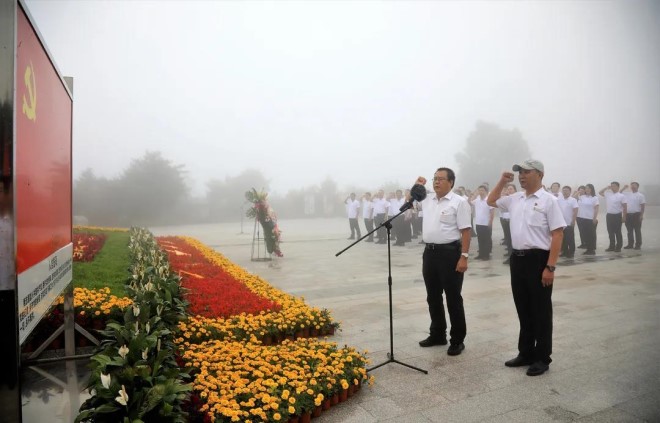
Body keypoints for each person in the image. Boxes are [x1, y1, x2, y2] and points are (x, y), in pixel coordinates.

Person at [487, 159, 565, 376]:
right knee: (523, 308)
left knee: (541, 310)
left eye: (526, 172)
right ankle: (526, 352)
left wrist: (550, 267)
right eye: (520, 172)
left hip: (538, 260)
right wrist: (502, 181)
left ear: (540, 174)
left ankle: (542, 357)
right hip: (518, 259)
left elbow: (558, 234)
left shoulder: (549, 201)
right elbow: (491, 200)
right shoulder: (515, 199)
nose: (522, 176)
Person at [416, 168, 471, 356]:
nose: (436, 182)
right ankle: (438, 334)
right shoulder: (427, 199)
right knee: (432, 296)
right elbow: (410, 201)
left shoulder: (459, 202)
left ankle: (457, 340)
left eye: (440, 179)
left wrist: (464, 256)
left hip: (450, 254)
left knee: (453, 298)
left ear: (451, 182)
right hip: (430, 253)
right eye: (434, 179)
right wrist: (417, 185)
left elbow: (466, 231)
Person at [599, 182, 627, 252]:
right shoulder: (608, 194)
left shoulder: (621, 196)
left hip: (617, 215)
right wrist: (606, 188)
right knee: (610, 232)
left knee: (618, 232)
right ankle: (612, 246)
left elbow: (625, 207)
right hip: (609, 215)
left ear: (618, 187)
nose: (612, 187)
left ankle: (618, 247)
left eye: (614, 186)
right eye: (611, 186)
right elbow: (600, 192)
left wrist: (624, 217)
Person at [470, 185, 494, 260]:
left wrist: (490, 221)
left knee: (486, 240)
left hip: (486, 223)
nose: (481, 192)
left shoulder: (488, 200)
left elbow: (492, 212)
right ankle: (481, 254)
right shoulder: (477, 200)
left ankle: (486, 255)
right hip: (478, 223)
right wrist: (473, 195)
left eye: (482, 190)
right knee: (480, 240)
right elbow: (470, 202)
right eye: (479, 190)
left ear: (486, 191)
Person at [575, 184, 599, 255]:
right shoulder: (582, 197)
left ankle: (592, 249)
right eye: (586, 188)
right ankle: (588, 248)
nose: (587, 189)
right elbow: (574, 197)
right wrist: (579, 191)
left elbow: (596, 208)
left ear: (592, 189)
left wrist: (594, 218)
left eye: (589, 188)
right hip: (581, 218)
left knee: (591, 235)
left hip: (590, 219)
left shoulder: (594, 198)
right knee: (584, 235)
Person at [621, 182, 645, 250]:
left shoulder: (641, 195)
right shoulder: (627, 194)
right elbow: (619, 193)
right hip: (628, 215)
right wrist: (624, 188)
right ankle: (630, 244)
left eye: (634, 185)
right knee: (629, 231)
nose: (633, 187)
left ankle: (638, 245)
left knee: (637, 230)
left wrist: (641, 215)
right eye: (632, 186)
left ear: (637, 186)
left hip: (636, 215)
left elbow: (642, 206)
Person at [558, 186, 578, 258]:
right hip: (561, 223)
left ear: (570, 191)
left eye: (566, 190)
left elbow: (575, 211)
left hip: (569, 222)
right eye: (563, 190)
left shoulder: (573, 200)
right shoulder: (559, 200)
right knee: (563, 238)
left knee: (570, 238)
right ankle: (565, 251)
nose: (565, 192)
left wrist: (573, 220)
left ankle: (571, 252)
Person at [500, 184, 516, 264]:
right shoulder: (506, 199)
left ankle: (513, 257)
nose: (509, 190)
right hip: (505, 220)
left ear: (515, 190)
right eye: (508, 189)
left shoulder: (517, 199)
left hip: (513, 221)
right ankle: (510, 255)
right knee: (508, 239)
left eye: (511, 189)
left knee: (513, 240)